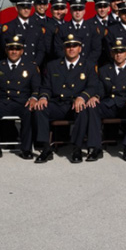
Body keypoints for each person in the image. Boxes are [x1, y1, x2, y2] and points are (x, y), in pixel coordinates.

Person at [33, 34, 101, 164]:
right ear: (64, 48)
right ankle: (46, 148)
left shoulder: (88, 65)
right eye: (68, 46)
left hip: (75, 103)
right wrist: (43, 97)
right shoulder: (53, 65)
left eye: (74, 46)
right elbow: (46, 86)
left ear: (80, 48)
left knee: (83, 110)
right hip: (57, 103)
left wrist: (82, 97)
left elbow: (93, 86)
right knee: (40, 108)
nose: (71, 49)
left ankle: (77, 148)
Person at [0, 34, 40, 160]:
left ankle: (26, 149)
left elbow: (36, 88)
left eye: (17, 49)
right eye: (11, 48)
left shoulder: (31, 67)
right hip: (2, 101)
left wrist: (34, 98)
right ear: (6, 50)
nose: (14, 51)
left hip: (22, 102)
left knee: (30, 111)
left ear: (22, 50)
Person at [94, 38, 126, 161]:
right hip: (110, 104)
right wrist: (95, 97)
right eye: (115, 52)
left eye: (121, 52)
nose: (118, 54)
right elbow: (100, 90)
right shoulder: (104, 70)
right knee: (92, 108)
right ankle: (96, 147)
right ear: (111, 53)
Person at [54, 0, 103, 66]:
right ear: (70, 11)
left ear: (84, 11)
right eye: (75, 9)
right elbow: (58, 49)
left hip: (87, 65)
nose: (77, 12)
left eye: (80, 9)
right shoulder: (62, 28)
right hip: (68, 65)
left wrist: (84, 63)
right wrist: (71, 62)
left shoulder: (92, 28)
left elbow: (96, 50)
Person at [0, 0, 45, 65]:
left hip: (33, 66)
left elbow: (41, 49)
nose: (26, 10)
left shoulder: (37, 27)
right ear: (17, 8)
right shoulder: (9, 27)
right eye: (23, 7)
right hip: (16, 66)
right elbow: (4, 49)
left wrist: (36, 63)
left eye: (28, 7)